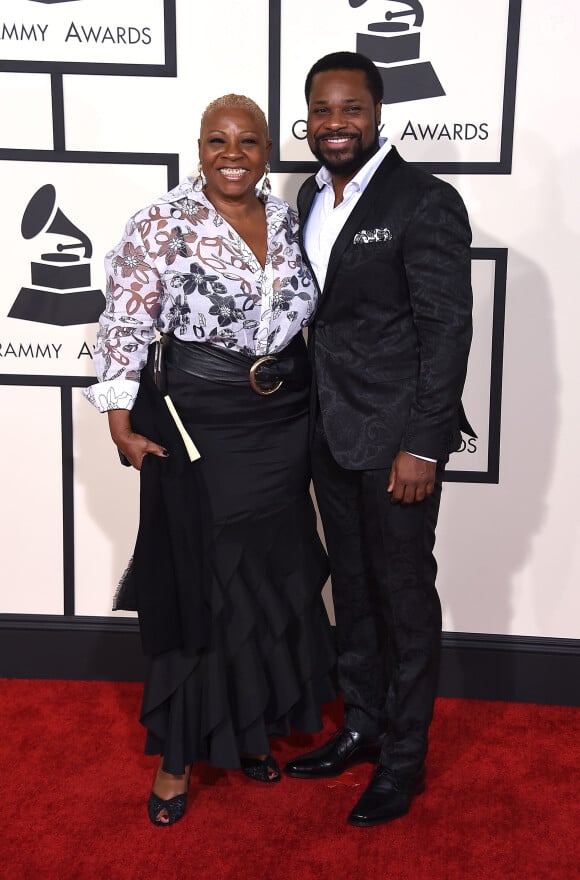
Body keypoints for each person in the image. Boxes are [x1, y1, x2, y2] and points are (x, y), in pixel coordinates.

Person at [85, 94, 335, 826]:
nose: (234, 153)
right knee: (206, 585)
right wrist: (120, 423)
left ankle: (248, 729)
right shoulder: (159, 222)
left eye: (249, 142)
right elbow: (125, 319)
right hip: (204, 423)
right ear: (200, 146)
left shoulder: (288, 218)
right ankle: (175, 758)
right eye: (219, 141)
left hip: (284, 421)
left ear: (266, 151)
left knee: (268, 578)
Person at [283, 52, 473, 827]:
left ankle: (404, 758)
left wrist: (424, 444)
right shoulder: (306, 196)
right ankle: (360, 724)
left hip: (399, 444)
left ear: (378, 112)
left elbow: (446, 328)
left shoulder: (426, 200)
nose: (336, 125)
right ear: (309, 118)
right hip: (329, 432)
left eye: (350, 110)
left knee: (402, 597)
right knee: (352, 590)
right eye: (322, 111)